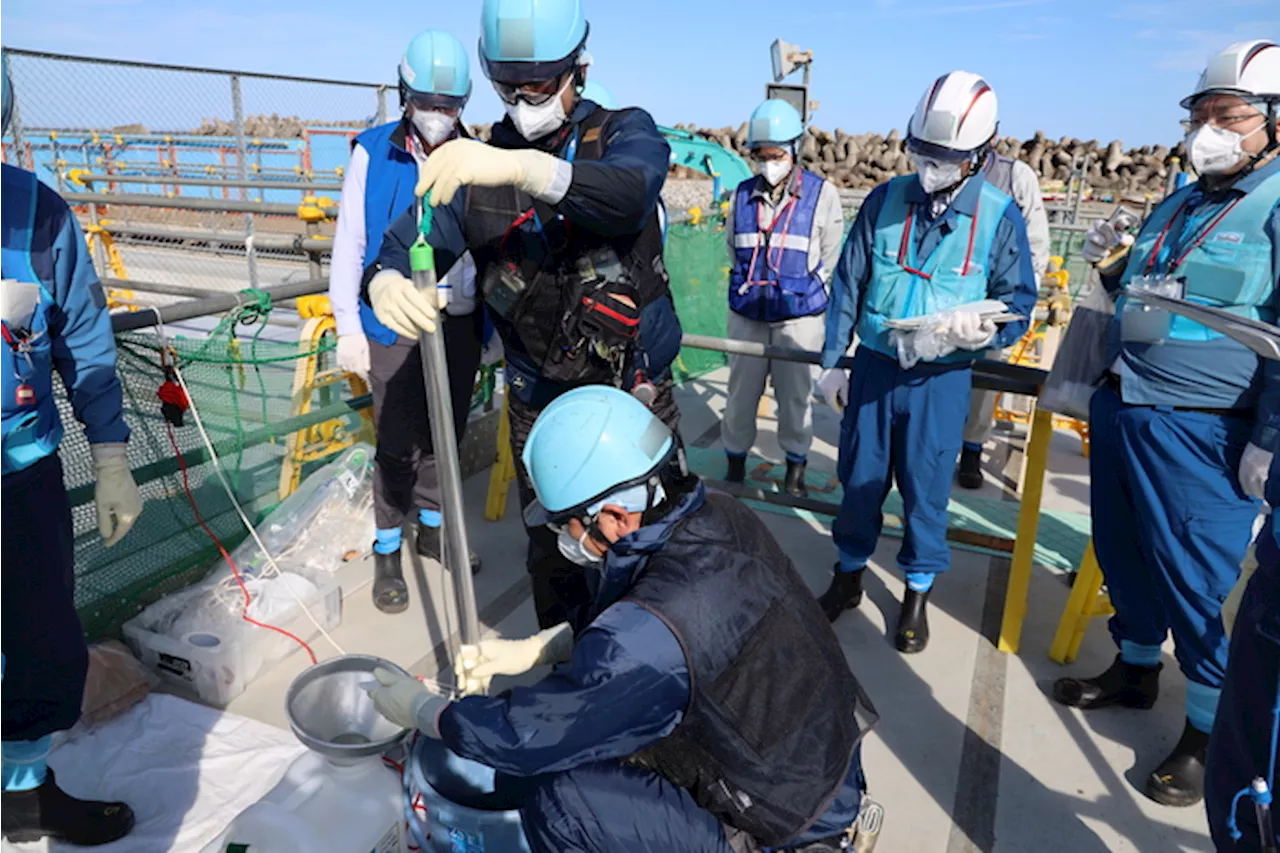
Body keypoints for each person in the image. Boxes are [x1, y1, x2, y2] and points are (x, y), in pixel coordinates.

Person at [366, 385, 876, 853]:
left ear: (613, 515)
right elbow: (702, 638)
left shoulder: (643, 636)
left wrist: (425, 711)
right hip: (820, 768)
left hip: (779, 823)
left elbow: (526, 739)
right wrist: (552, 646)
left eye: (567, 521)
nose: (565, 536)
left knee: (563, 797)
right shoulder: (720, 515)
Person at [367, 0, 683, 630]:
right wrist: (383, 278)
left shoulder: (623, 132)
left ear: (577, 71)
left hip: (627, 391)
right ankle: (564, 666)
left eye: (538, 84)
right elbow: (406, 239)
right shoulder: (476, 166)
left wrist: (524, 168)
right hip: (537, 398)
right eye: (507, 86)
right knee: (555, 554)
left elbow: (629, 193)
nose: (522, 98)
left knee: (653, 549)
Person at [1053, 39, 1280, 810]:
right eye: (1198, 114)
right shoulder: (1180, 201)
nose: (1206, 129)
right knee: (1124, 553)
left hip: (1209, 430)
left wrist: (1269, 438)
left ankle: (1210, 728)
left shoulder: (1277, 205)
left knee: (1201, 582)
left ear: (1274, 123)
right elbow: (1149, 295)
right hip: (1129, 407)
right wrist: (1114, 268)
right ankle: (1136, 666)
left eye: (1227, 115)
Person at [814, 70, 1036, 653]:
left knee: (926, 488)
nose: (932, 164)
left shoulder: (998, 216)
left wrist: (980, 333)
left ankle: (915, 593)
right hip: (875, 369)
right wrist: (833, 360)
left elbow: (1020, 304)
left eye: (947, 156)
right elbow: (849, 282)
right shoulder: (885, 201)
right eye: (924, 151)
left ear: (979, 155)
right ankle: (848, 577)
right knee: (859, 480)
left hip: (942, 379)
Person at [0, 47, 140, 845]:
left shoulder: (39, 214)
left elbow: (84, 340)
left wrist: (113, 455)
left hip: (20, 473)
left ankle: (22, 794)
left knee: (39, 643)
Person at [328, 29, 484, 615]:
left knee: (447, 437)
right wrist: (348, 324)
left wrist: (485, 328)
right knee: (396, 443)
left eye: (452, 107)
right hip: (392, 322)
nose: (441, 117)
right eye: (430, 105)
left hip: (458, 322)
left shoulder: (473, 156)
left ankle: (435, 527)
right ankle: (389, 546)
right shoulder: (372, 151)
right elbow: (351, 245)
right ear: (405, 96)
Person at [721, 99, 844, 498]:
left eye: (776, 155)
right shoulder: (741, 195)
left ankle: (796, 467)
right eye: (761, 155)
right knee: (740, 395)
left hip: (799, 317)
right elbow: (731, 247)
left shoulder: (823, 195)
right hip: (748, 313)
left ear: (794, 149)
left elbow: (830, 255)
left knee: (795, 398)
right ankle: (735, 463)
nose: (768, 162)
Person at [956, 134, 1051, 489]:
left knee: (983, 383)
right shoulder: (942, 169)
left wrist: (1019, 303)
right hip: (946, 297)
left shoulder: (1016, 176)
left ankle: (971, 450)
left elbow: (1036, 243)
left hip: (991, 302)